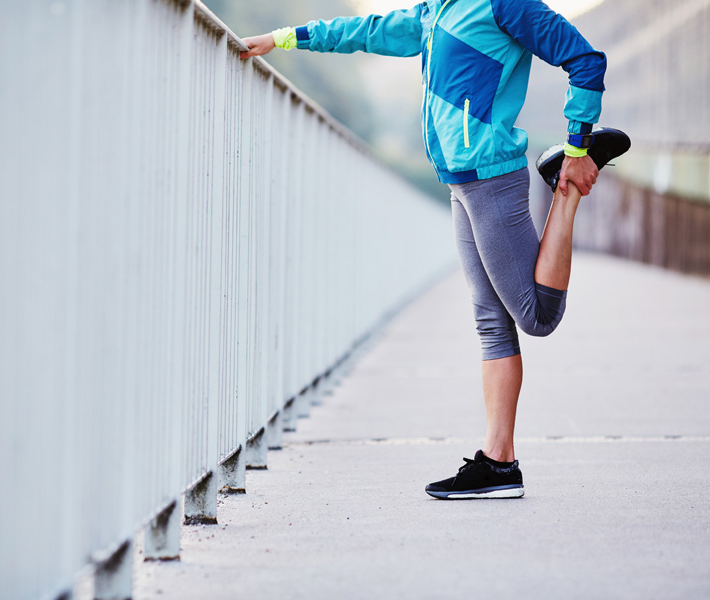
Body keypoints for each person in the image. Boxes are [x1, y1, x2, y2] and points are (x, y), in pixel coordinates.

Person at [242, 0, 613, 499]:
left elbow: (586, 60)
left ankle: (565, 192)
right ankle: (499, 464)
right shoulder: (436, 11)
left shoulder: (505, 5)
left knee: (536, 316)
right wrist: (283, 38)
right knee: (490, 322)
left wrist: (576, 146)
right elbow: (366, 31)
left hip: (492, 177)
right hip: (461, 184)